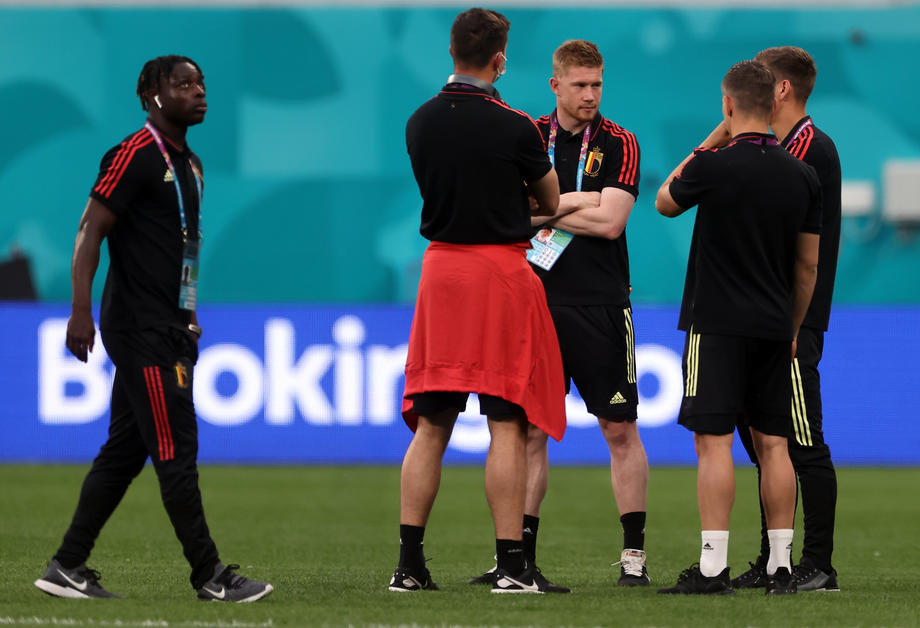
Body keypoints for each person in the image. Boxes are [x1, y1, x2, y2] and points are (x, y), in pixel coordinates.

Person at [33, 55, 272, 603]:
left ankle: (67, 565)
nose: (198, 91)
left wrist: (189, 313)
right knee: (175, 449)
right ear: (151, 96)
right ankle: (210, 575)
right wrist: (79, 310)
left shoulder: (193, 165)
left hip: (169, 326)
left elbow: (186, 248)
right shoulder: (134, 154)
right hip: (139, 329)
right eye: (183, 84)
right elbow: (90, 229)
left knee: (124, 451)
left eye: (201, 82)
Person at [389, 8, 565, 595]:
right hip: (498, 274)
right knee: (506, 423)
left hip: (441, 272)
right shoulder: (517, 127)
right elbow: (550, 202)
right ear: (500, 60)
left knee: (432, 424)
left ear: (450, 51)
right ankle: (511, 566)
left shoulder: (419, 121)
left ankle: (409, 566)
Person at [468, 39, 649, 591]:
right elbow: (507, 215)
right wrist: (581, 199)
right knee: (527, 433)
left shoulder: (620, 142)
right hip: (533, 302)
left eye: (597, 84)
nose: (590, 94)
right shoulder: (527, 134)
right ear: (556, 85)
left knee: (619, 428)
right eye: (580, 85)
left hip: (600, 303)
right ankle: (518, 561)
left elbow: (611, 223)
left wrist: (547, 208)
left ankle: (634, 560)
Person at [654, 60, 821, 595]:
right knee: (774, 445)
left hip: (717, 325)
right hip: (774, 326)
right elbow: (808, 267)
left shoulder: (713, 165)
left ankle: (712, 568)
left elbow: (664, 201)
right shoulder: (802, 174)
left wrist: (712, 138)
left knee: (715, 443)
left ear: (728, 105)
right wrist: (792, 326)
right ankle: (780, 567)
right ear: (774, 103)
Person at [731, 46, 842, 593]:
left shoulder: (810, 149)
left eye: (763, 80)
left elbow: (800, 252)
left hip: (793, 322)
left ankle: (819, 564)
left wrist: (796, 325)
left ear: (781, 89)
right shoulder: (781, 147)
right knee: (765, 444)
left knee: (802, 441)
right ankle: (773, 558)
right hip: (765, 318)